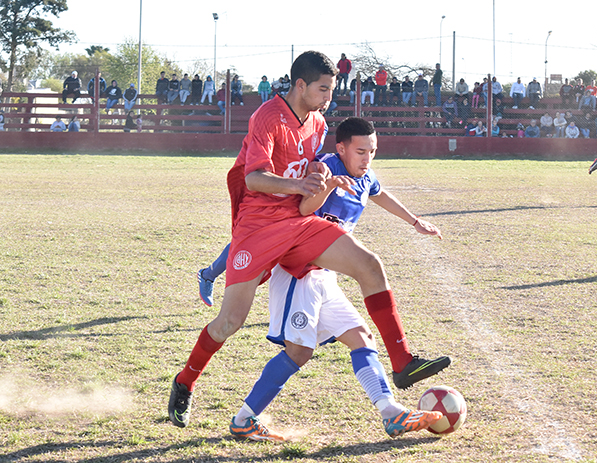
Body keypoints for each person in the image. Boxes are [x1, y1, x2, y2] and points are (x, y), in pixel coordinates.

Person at [169, 51, 450, 429]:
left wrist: (318, 175)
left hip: (297, 220)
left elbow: (313, 168)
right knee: (229, 321)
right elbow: (254, 178)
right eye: (323, 89)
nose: (328, 97)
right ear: (300, 85)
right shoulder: (267, 117)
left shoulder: (317, 122)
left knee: (370, 266)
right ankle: (185, 382)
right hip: (258, 227)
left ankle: (402, 362)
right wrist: (299, 184)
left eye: (331, 90)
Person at [229, 117, 444, 442]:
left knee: (362, 338)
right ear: (341, 148)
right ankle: (245, 419)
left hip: (324, 277)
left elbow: (380, 193)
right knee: (298, 351)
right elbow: (303, 209)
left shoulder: (365, 176)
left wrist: (414, 222)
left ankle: (391, 413)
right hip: (297, 274)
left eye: (372, 151)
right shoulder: (324, 168)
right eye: (360, 151)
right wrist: (327, 185)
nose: (366, 158)